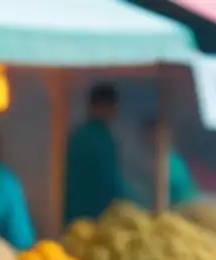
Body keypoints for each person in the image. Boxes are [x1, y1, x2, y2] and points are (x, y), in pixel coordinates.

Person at [64, 84, 130, 223]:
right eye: (112, 107)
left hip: (75, 216)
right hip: (95, 216)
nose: (114, 113)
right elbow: (110, 182)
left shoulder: (79, 136)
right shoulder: (97, 140)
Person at [142, 118, 198, 208]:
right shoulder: (156, 160)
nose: (153, 139)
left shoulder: (172, 161)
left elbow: (177, 187)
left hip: (185, 208)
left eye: (156, 134)